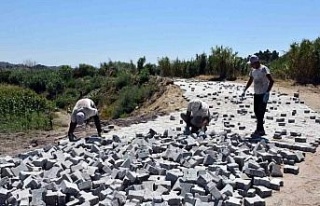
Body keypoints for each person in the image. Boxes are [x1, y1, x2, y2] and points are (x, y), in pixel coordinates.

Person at [242, 55, 274, 136]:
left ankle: (259, 130)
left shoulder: (264, 69)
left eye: (252, 64)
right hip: (256, 93)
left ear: (256, 62)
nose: (251, 65)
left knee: (261, 112)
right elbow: (250, 80)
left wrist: (267, 92)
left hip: (263, 94)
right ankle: (261, 130)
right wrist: (245, 89)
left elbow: (272, 81)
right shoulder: (253, 71)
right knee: (256, 111)